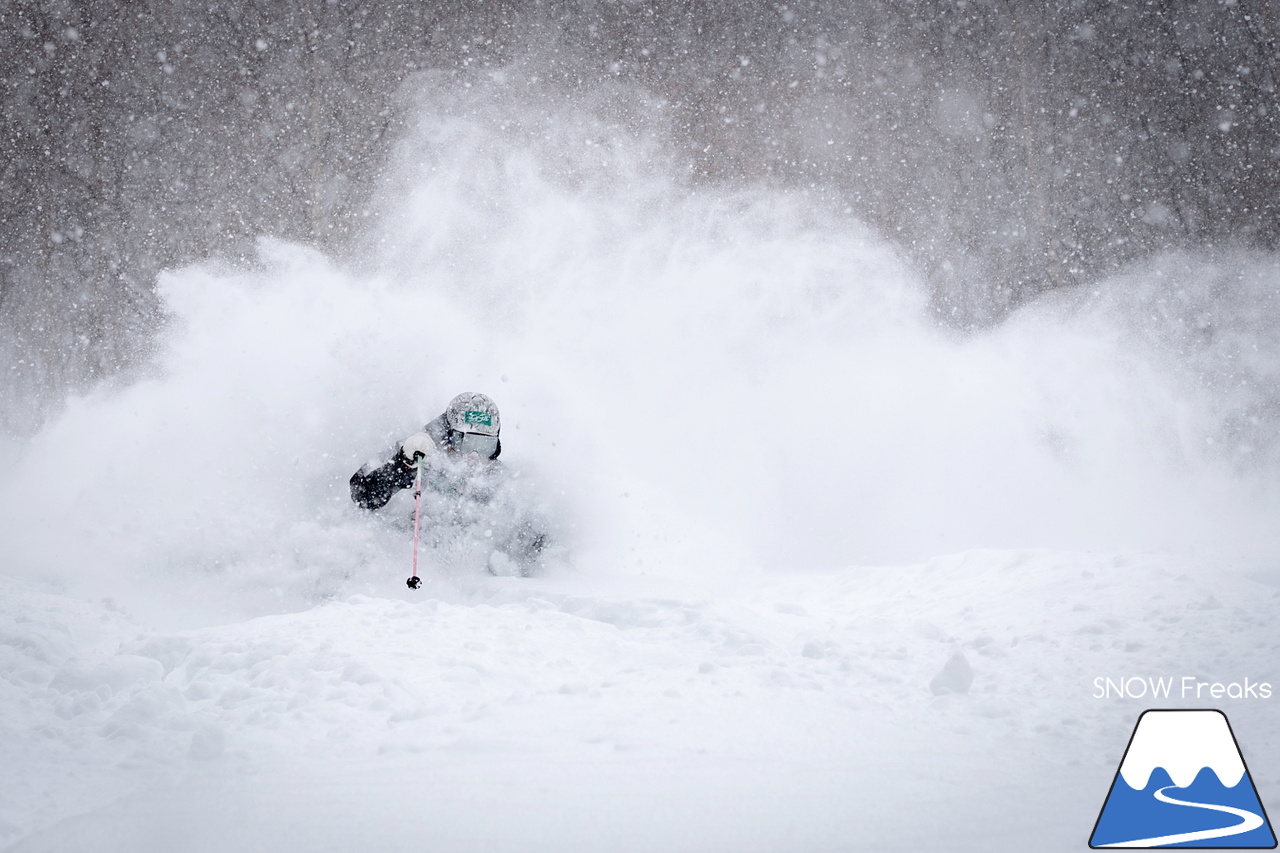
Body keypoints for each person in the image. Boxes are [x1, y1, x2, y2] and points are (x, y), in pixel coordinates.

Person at [349, 391, 502, 511]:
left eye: (485, 445)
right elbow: (361, 494)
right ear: (448, 436)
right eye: (465, 443)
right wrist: (402, 464)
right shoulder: (415, 452)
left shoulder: (497, 477)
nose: (473, 456)